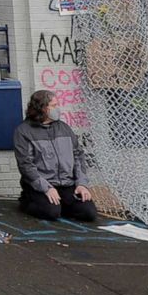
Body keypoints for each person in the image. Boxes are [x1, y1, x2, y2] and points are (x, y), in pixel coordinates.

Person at [13, 90, 97, 222]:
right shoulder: (24, 131)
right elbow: (26, 165)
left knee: (89, 213)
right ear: (42, 108)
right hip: (42, 184)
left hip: (67, 183)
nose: (58, 109)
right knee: (51, 212)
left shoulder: (64, 128)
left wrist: (81, 184)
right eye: (54, 105)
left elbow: (78, 156)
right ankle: (27, 201)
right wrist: (46, 188)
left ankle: (61, 204)